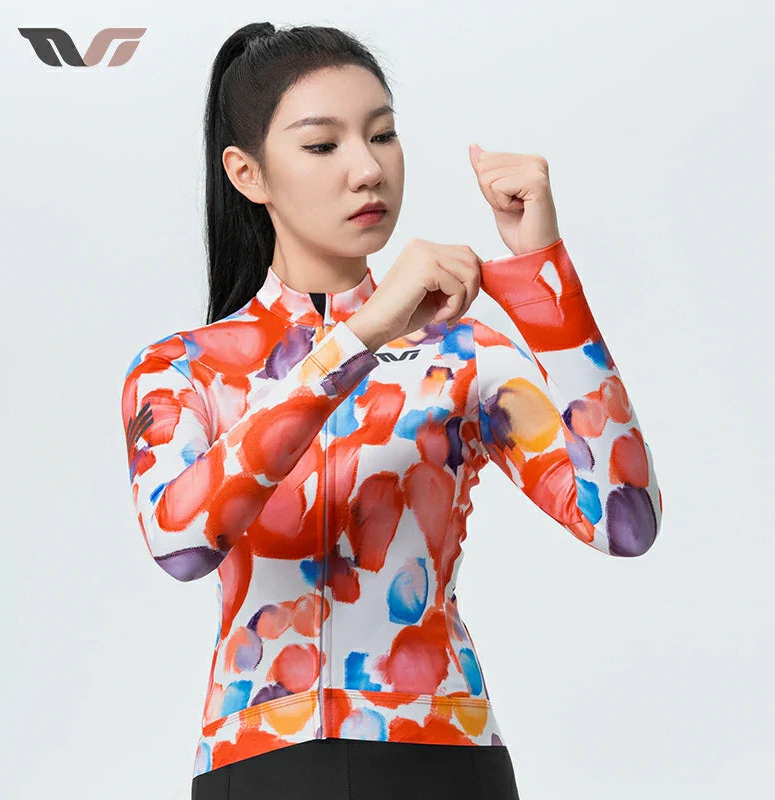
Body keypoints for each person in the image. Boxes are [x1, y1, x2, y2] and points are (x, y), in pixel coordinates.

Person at [120, 21, 663, 800]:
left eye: (382, 135)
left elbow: (624, 519)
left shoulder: (464, 356)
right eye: (322, 145)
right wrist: (362, 336)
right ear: (247, 173)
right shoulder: (181, 371)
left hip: (445, 753)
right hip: (261, 763)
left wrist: (543, 274)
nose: (368, 169)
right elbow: (181, 542)